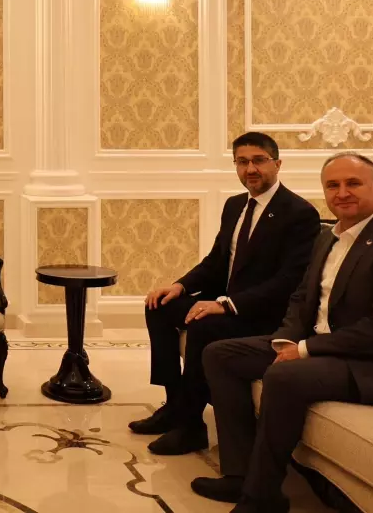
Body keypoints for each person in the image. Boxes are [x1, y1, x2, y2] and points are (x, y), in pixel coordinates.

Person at [192, 152, 373, 513]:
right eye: (332, 185)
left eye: (353, 183)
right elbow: (302, 297)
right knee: (220, 354)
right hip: (326, 347)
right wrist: (286, 339)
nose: (342, 193)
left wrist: (305, 349)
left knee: (284, 376)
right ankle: (238, 475)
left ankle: (261, 498)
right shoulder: (327, 237)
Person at [130, 132, 321, 455]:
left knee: (203, 325)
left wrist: (228, 305)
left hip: (263, 313)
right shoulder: (235, 206)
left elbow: (289, 281)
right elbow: (217, 261)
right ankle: (174, 405)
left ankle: (191, 427)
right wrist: (180, 286)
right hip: (228, 304)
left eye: (259, 160)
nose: (250, 169)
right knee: (159, 306)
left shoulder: (299, 213)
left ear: (277, 164)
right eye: (242, 162)